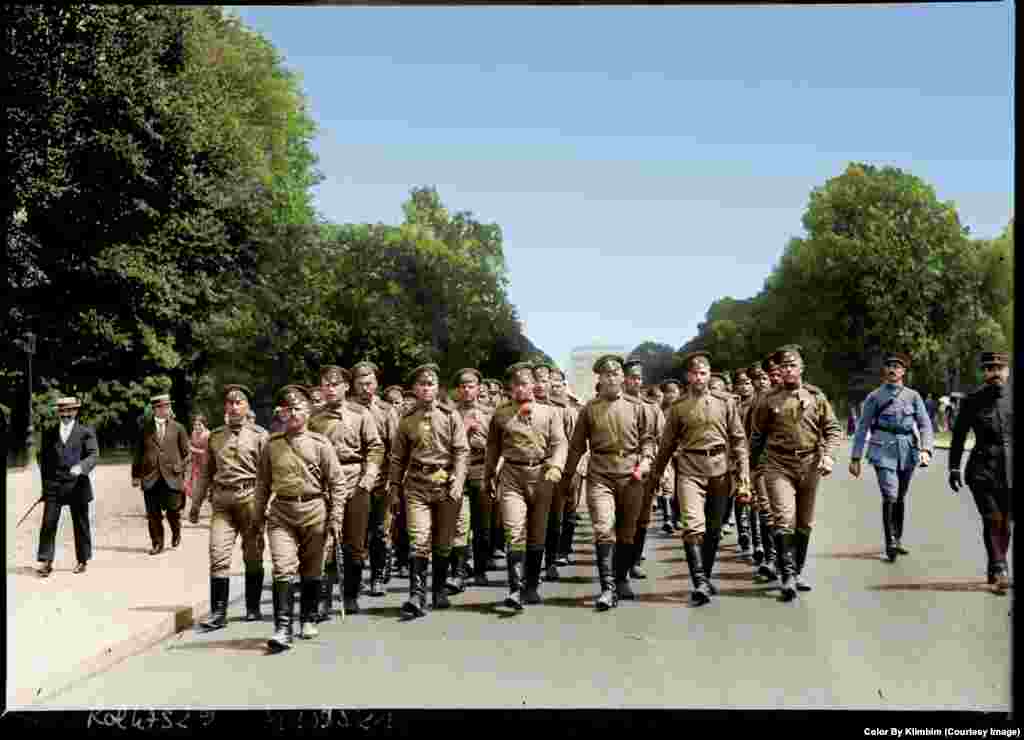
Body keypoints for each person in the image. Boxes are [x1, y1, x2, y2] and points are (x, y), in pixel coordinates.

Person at [649, 352, 749, 606]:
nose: (698, 377)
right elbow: (667, 444)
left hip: (720, 469)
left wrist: (744, 473)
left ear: (709, 374)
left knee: (713, 531)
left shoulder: (725, 403)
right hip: (690, 470)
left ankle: (704, 575)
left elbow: (738, 440)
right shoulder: (679, 407)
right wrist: (657, 474)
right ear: (688, 377)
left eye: (703, 373)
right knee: (693, 527)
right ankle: (700, 582)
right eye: (694, 373)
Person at [558, 355, 656, 611]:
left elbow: (648, 439)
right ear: (599, 379)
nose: (611, 378)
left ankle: (622, 578)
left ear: (622, 377)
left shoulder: (638, 406)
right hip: (600, 474)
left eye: (615, 373)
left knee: (627, 532)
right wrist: (566, 478)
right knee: (603, 528)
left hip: (631, 475)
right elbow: (577, 447)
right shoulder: (589, 409)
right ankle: (607, 588)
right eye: (606, 374)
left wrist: (646, 461)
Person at [255, 385, 345, 651]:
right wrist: (257, 518)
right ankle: (283, 629)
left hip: (314, 511)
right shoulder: (271, 445)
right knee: (283, 567)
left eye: (297, 408)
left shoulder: (320, 444)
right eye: (287, 409)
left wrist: (336, 516)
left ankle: (307, 618)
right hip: (281, 512)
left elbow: (337, 483)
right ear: (280, 413)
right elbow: (262, 484)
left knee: (311, 569)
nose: (292, 413)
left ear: (307, 411)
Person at [750, 345, 842, 601]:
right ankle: (787, 575)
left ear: (801, 368)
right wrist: (750, 472)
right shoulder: (768, 400)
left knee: (804, 523)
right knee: (784, 518)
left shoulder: (816, 397)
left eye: (792, 366)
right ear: (778, 370)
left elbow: (833, 429)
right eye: (784, 367)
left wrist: (829, 456)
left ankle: (797, 571)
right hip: (778, 465)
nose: (788, 370)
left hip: (810, 465)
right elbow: (757, 437)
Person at [388, 363, 469, 619]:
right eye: (422, 384)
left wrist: (458, 480)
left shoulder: (450, 415)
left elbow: (461, 451)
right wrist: (394, 488)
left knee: (444, 541)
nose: (426, 388)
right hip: (417, 485)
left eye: (431, 383)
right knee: (419, 538)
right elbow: (398, 458)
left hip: (445, 482)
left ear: (437, 388)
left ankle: (439, 591)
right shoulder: (407, 420)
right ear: (415, 389)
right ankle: (416, 595)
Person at [483, 362, 567, 608]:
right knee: (514, 529)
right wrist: (489, 475)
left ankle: (531, 586)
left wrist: (556, 466)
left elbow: (560, 443)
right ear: (510, 387)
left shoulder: (550, 413)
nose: (521, 388)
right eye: (516, 384)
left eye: (526, 383)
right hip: (511, 475)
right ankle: (515, 589)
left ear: (534, 385)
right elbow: (492, 447)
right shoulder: (501, 414)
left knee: (538, 532)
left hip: (541, 474)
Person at [188, 386, 270, 627]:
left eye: (239, 403)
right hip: (222, 502)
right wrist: (195, 504)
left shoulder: (259, 435)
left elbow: (268, 474)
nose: (234, 407)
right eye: (230, 403)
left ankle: (253, 607)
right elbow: (205, 473)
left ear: (246, 407)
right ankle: (218, 614)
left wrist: (267, 504)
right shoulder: (215, 436)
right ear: (225, 407)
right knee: (218, 555)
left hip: (250, 499)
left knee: (253, 555)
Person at [308, 364, 384, 616]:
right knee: (324, 541)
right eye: (325, 385)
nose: (329, 389)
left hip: (355, 481)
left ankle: (350, 594)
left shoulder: (361, 414)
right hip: (325, 485)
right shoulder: (314, 418)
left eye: (334, 384)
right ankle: (323, 598)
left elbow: (375, 447)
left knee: (354, 543)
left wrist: (369, 476)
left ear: (345, 387)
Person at [849, 353, 934, 562]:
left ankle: (898, 537)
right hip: (882, 449)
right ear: (884, 371)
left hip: (907, 450)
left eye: (897, 367)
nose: (893, 370)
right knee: (890, 494)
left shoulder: (913, 396)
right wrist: (856, 457)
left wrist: (926, 449)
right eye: (889, 366)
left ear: (903, 371)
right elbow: (862, 428)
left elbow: (924, 424)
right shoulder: (875, 397)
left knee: (901, 495)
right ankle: (890, 543)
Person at [949, 351, 1014, 593]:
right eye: (990, 369)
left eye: (999, 368)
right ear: (984, 373)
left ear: (1007, 372)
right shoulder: (972, 400)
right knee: (992, 518)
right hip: (982, 469)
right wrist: (954, 467)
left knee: (1005, 524)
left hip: (1009, 469)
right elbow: (958, 437)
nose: (995, 373)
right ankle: (1000, 568)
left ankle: (995, 567)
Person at [350, 361, 400, 598]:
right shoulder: (346, 411)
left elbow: (395, 449)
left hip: (381, 481)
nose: (365, 388)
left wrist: (393, 480)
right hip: (353, 482)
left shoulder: (387, 411)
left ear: (377, 384)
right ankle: (355, 579)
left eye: (369, 383)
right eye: (360, 383)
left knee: (380, 531)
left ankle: (378, 577)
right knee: (354, 534)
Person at [36, 397, 99, 577]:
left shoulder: (85, 432)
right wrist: (45, 487)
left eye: (69, 411)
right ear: (58, 412)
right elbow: (42, 459)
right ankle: (46, 561)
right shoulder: (49, 432)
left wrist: (82, 467)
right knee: (48, 522)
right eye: (62, 411)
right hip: (54, 485)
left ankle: (82, 560)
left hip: (77, 485)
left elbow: (94, 455)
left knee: (81, 524)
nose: (65, 414)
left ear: (76, 411)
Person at [531, 361, 575, 583]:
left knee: (553, 519)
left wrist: (563, 470)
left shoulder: (561, 410)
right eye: (536, 380)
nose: (539, 385)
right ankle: (530, 566)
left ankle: (550, 562)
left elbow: (569, 443)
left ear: (551, 383)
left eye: (544, 380)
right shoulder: (520, 407)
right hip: (525, 471)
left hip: (553, 470)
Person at [621, 359, 664, 581]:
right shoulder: (615, 404)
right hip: (622, 470)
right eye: (632, 377)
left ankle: (634, 561)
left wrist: (659, 469)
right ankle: (620, 563)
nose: (636, 381)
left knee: (642, 518)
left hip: (646, 469)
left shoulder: (652, 408)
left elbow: (662, 440)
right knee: (622, 517)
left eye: (639, 377)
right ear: (623, 378)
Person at [131, 393, 190, 555]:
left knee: (173, 510)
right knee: (153, 514)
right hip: (150, 477)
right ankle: (157, 543)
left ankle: (176, 531)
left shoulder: (178, 428)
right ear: (156, 409)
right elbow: (138, 453)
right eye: (164, 406)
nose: (167, 409)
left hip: (172, 476)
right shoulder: (145, 429)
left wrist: (180, 468)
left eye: (168, 406)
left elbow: (187, 454)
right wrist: (135, 475)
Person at [452, 368, 494, 589]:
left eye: (471, 386)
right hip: (457, 471)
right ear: (458, 390)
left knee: (482, 525)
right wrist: (464, 430)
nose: (467, 390)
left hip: (481, 468)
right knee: (458, 523)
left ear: (479, 388)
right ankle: (458, 572)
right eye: (463, 386)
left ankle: (480, 569)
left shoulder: (489, 413)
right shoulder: (450, 413)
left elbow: (499, 444)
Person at [185, 414, 210, 500]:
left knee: (201, 488)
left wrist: (193, 449)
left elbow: (208, 452)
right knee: (192, 487)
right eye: (195, 425)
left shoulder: (207, 435)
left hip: (204, 463)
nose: (197, 427)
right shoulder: (194, 433)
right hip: (195, 463)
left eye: (199, 425)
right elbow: (190, 445)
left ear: (204, 424)